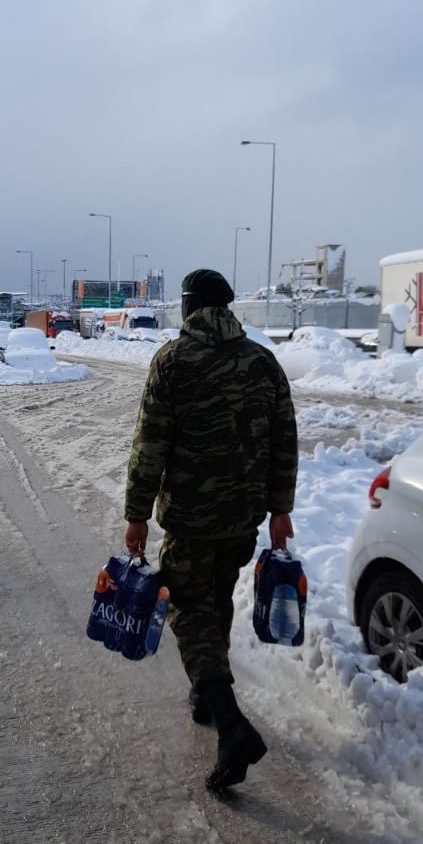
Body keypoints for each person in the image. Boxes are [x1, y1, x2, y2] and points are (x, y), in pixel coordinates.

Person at [124, 269, 297, 793]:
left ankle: (230, 721)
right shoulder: (263, 362)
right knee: (215, 597)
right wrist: (280, 508)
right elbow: (284, 440)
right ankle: (205, 695)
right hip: (243, 516)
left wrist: (135, 513)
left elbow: (149, 443)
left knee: (185, 606)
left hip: (192, 517)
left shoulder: (173, 361)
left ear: (189, 307)